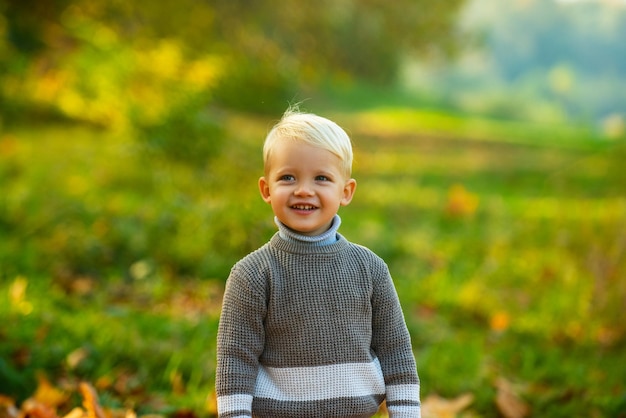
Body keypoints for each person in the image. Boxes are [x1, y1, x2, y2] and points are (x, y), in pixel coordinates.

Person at [216, 107, 421, 418]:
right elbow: (236, 358)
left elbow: (396, 350)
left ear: (346, 191)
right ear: (266, 189)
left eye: (322, 178)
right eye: (288, 177)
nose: (303, 190)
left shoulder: (370, 269)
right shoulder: (252, 274)